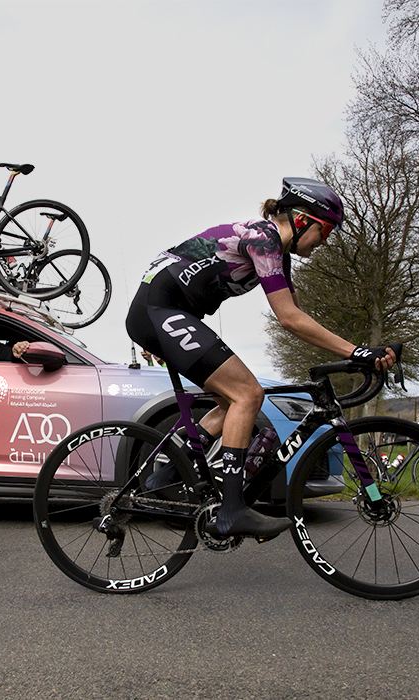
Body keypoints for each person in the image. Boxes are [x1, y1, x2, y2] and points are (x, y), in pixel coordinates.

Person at [126, 177, 396, 540]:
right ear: (301, 219)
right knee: (248, 394)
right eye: (326, 230)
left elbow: (299, 319)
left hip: (164, 312)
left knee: (232, 401)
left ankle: (167, 474)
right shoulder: (263, 238)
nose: (326, 240)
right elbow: (290, 318)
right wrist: (358, 352)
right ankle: (231, 510)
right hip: (159, 309)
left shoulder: (278, 255)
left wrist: (352, 351)